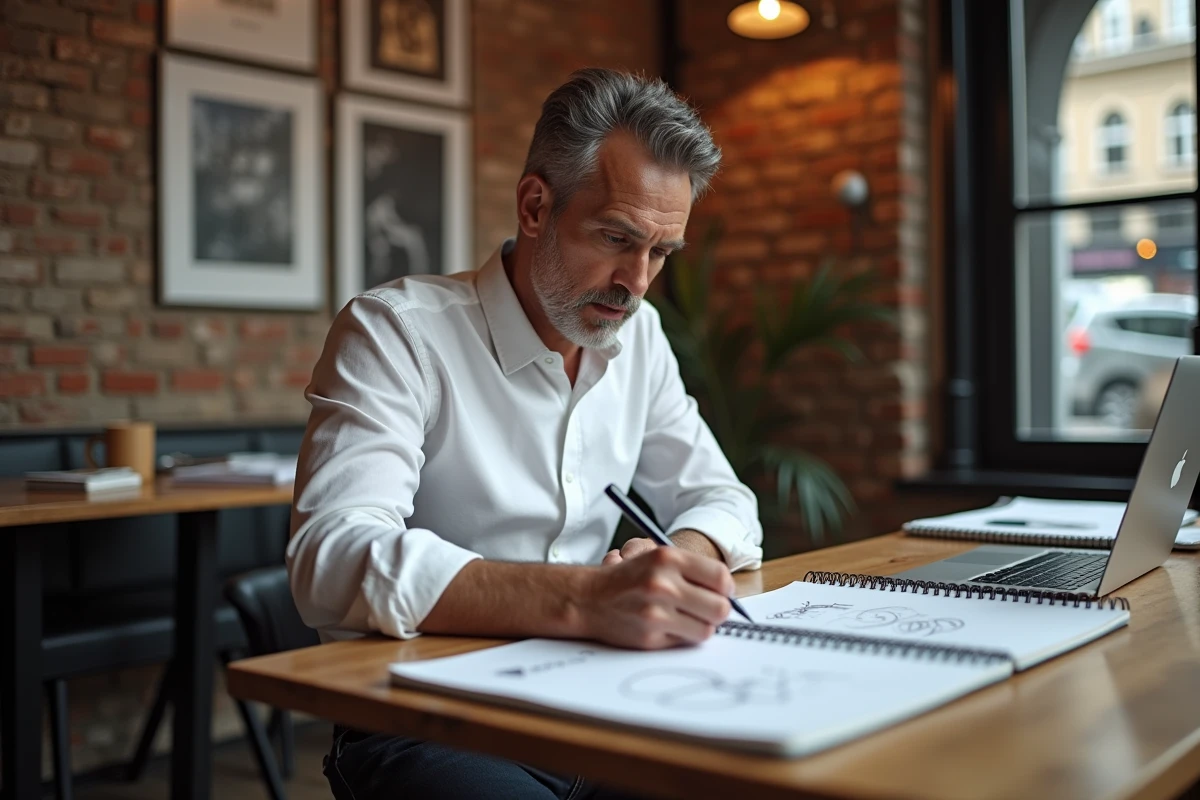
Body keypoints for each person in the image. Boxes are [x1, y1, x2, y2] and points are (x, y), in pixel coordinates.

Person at [289, 67, 764, 800]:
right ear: (536, 205)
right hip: (429, 716)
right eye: (616, 238)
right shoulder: (395, 334)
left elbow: (724, 499)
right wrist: (585, 599)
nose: (635, 281)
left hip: (602, 700)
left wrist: (676, 563)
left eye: (662, 253)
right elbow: (333, 559)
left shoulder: (641, 339)